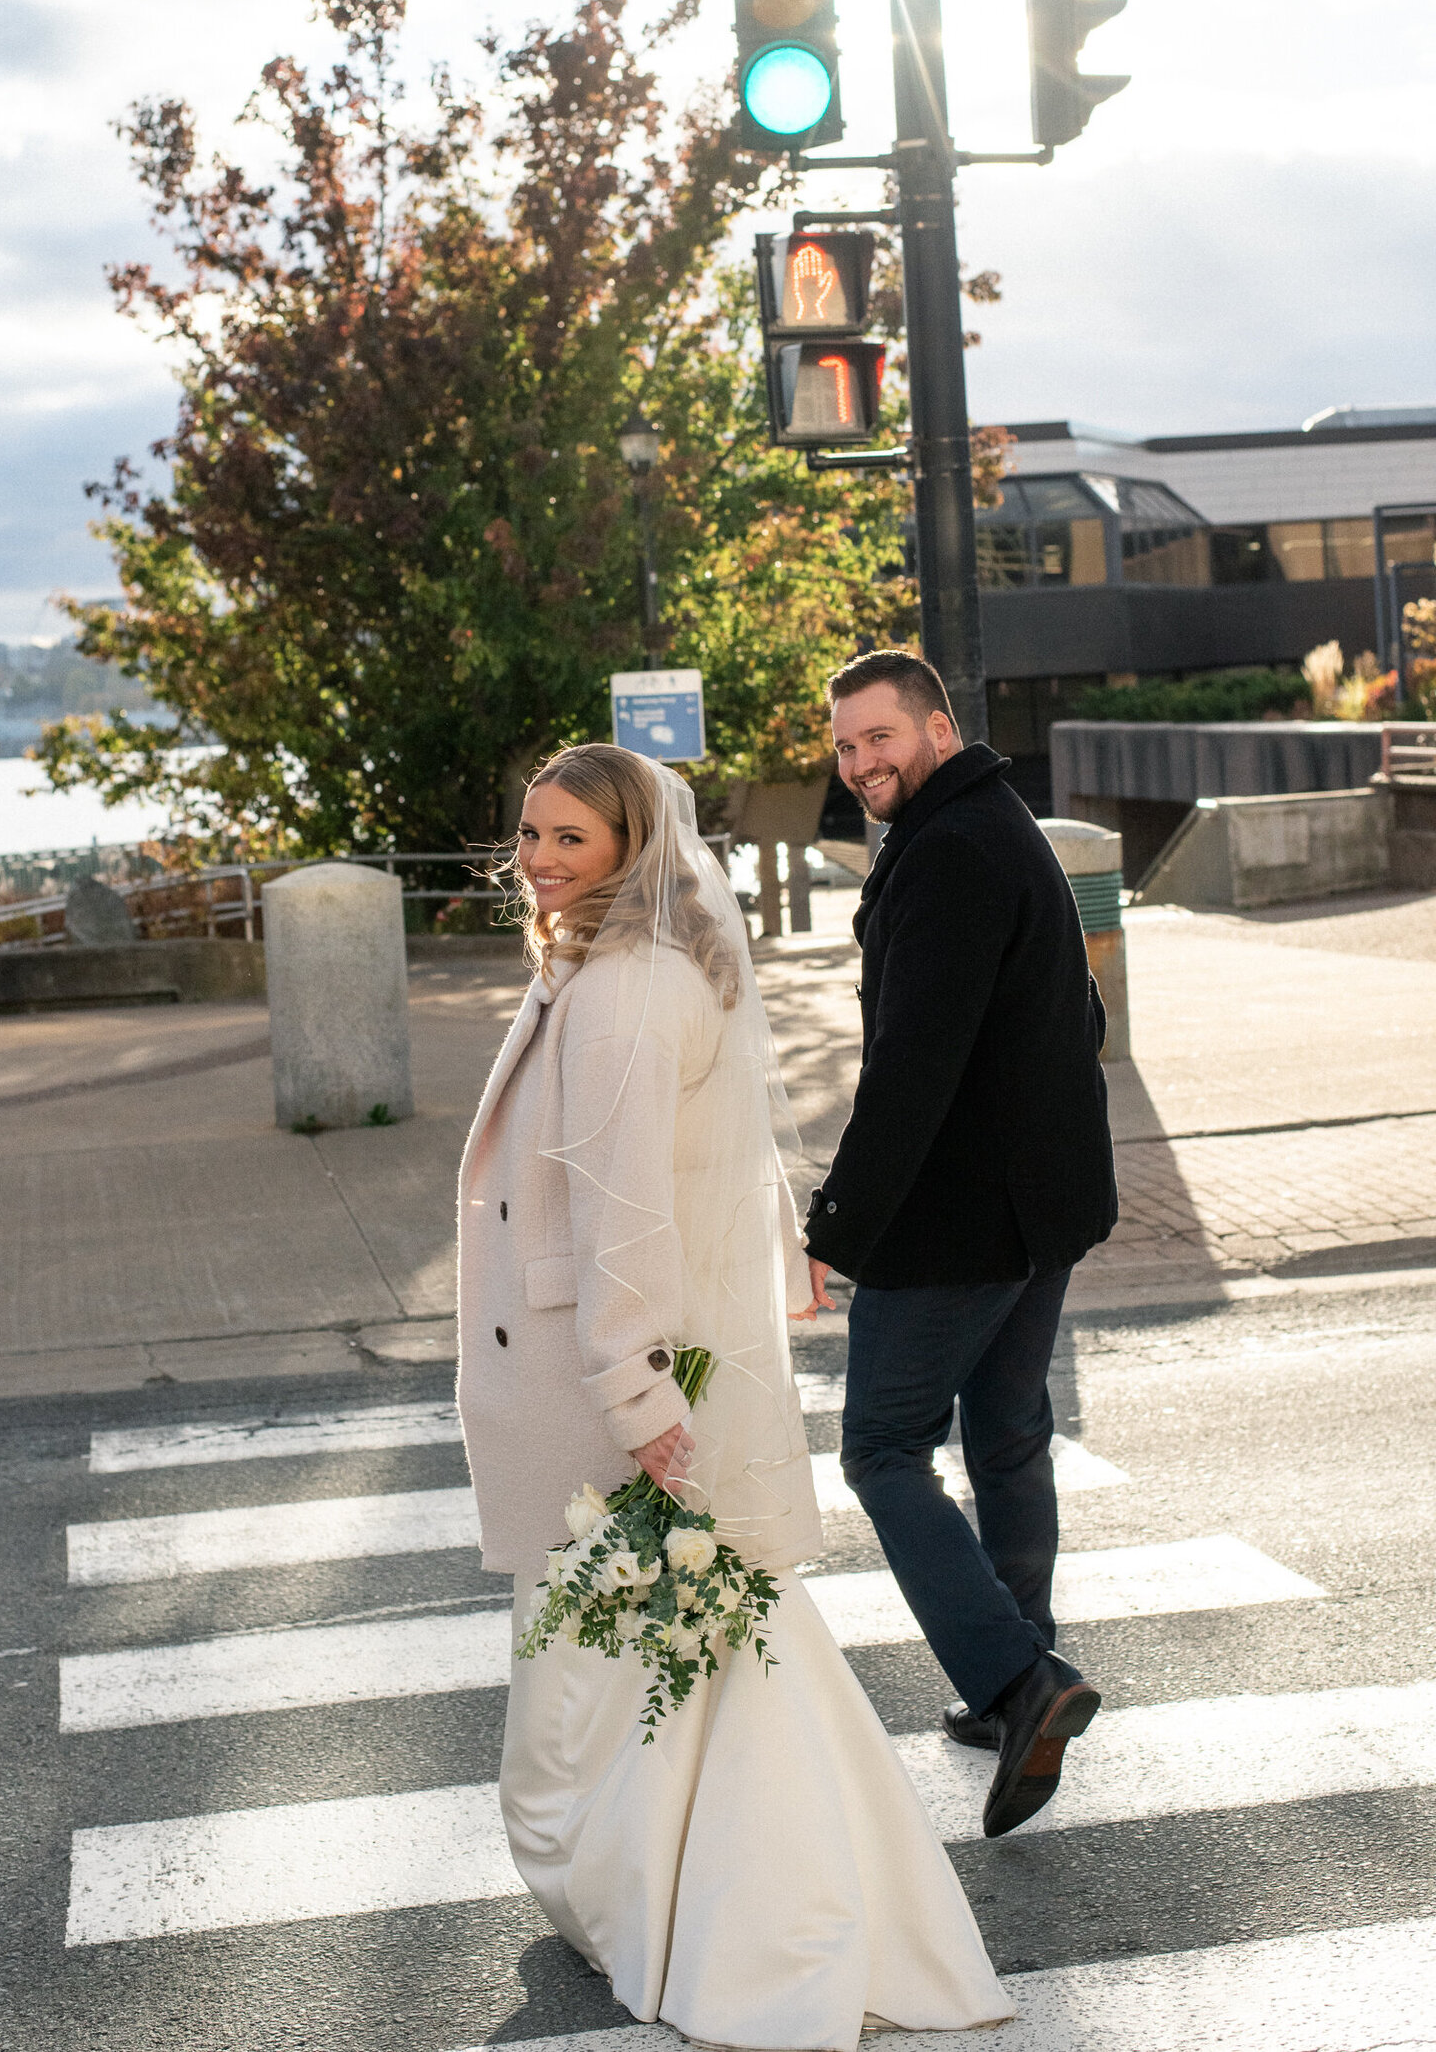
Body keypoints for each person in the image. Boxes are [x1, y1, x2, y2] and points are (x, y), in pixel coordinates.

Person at [457, 742, 1014, 2052]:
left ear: (632, 851)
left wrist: (638, 1392)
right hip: (610, 1378)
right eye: (530, 833)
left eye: (568, 840)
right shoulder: (615, 969)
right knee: (676, 1666)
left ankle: (743, 1927)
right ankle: (712, 1907)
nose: (537, 858)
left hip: (602, 1387)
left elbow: (627, 1216)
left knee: (605, 1692)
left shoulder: (628, 991)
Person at [802, 650, 1119, 1842]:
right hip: (1042, 1209)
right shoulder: (1003, 824)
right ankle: (1018, 1685)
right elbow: (1078, 1016)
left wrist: (834, 1227)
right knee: (1006, 1434)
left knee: (882, 1451)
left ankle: (1013, 1677)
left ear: (935, 726)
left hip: (958, 1222)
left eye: (879, 737)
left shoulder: (946, 855)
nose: (860, 763)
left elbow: (908, 1076)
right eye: (843, 747)